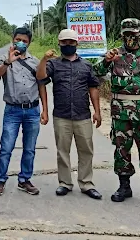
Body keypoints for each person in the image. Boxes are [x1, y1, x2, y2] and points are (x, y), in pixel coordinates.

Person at [93, 18, 140, 209]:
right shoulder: (114, 55)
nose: (130, 39)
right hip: (121, 112)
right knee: (121, 150)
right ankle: (124, 187)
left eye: (133, 35)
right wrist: (106, 60)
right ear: (122, 35)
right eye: (126, 35)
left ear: (139, 35)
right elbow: (95, 73)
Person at [36, 28, 103, 200]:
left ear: (76, 44)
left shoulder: (86, 65)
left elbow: (93, 88)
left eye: (71, 42)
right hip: (61, 116)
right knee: (63, 151)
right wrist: (44, 59)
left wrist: (98, 112)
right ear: (59, 43)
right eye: (64, 42)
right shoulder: (53, 64)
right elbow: (41, 77)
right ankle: (65, 183)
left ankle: (86, 183)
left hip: (83, 115)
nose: (67, 45)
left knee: (86, 150)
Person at [0, 27, 49, 196]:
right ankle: (0, 179)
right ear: (13, 39)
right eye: (18, 40)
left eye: (24, 41)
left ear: (29, 43)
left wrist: (45, 110)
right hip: (12, 110)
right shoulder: (4, 59)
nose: (21, 43)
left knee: (29, 148)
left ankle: (24, 179)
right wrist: (9, 61)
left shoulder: (35, 62)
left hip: (32, 110)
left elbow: (42, 85)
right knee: (6, 147)